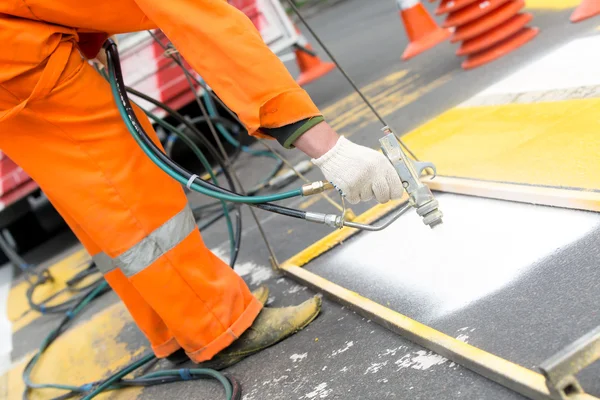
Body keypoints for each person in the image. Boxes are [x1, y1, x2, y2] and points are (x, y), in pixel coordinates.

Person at [0, 1, 403, 367]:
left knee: (91, 192)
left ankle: (172, 325)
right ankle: (217, 326)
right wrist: (325, 146)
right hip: (20, 61)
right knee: (123, 180)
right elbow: (208, 23)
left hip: (14, 56)